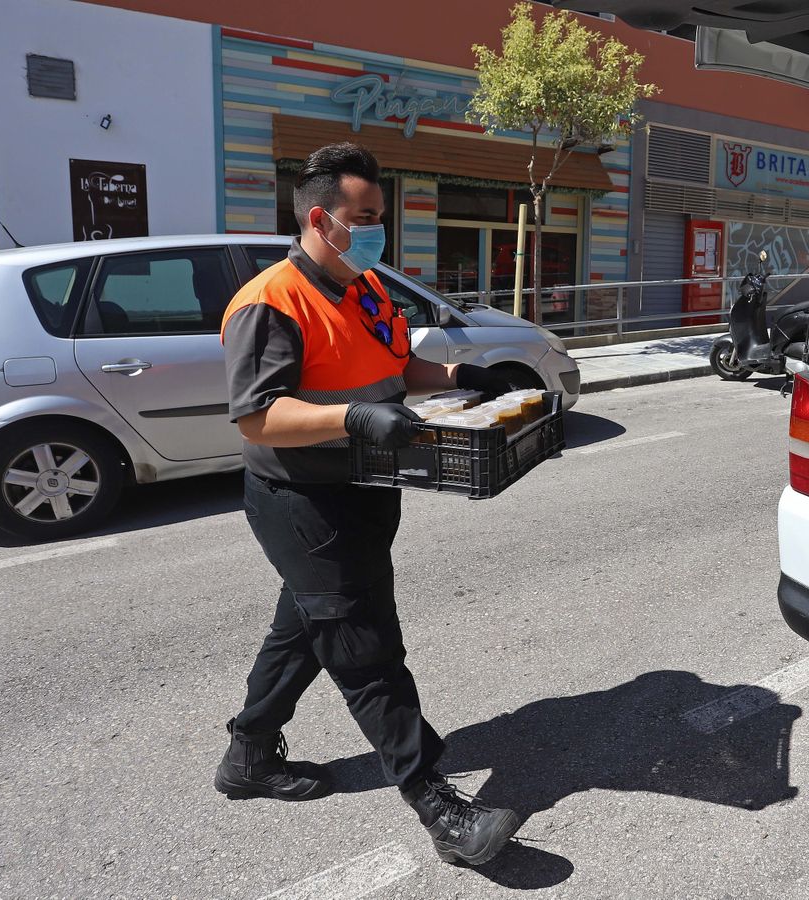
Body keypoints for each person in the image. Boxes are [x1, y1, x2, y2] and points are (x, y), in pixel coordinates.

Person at [215, 142, 521, 866]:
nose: (379, 229)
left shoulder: (367, 287)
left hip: (368, 488)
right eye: (366, 217)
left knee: (307, 626)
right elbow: (257, 416)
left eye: (381, 216)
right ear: (320, 219)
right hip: (302, 500)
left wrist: (461, 375)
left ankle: (249, 754)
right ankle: (435, 803)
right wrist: (352, 418)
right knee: (365, 644)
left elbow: (396, 364)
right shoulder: (269, 302)